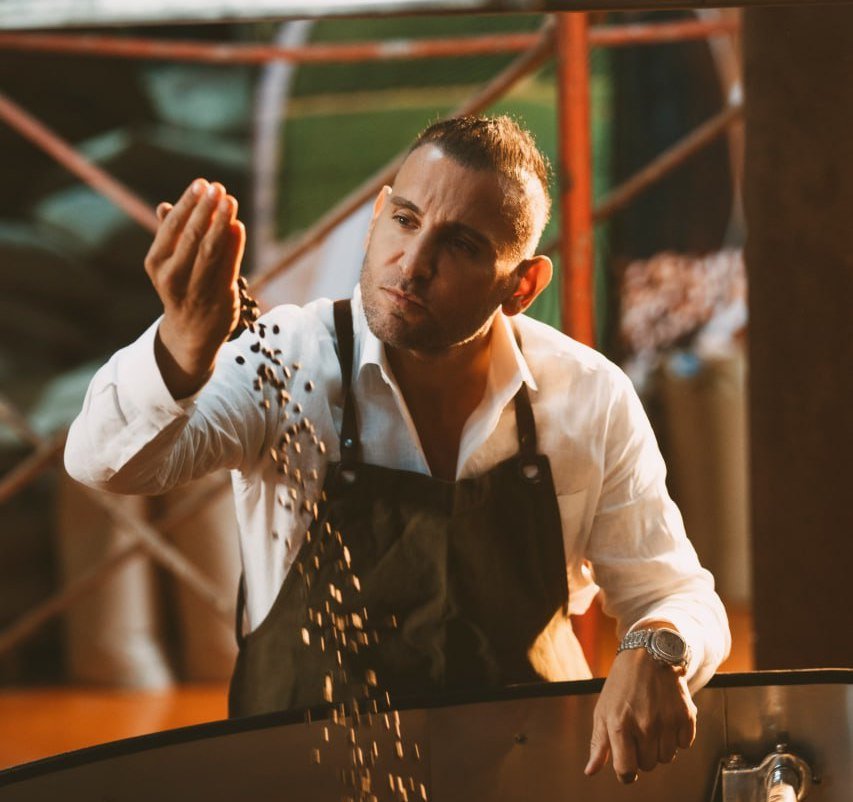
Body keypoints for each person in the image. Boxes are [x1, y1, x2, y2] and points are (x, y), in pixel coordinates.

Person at [64, 115, 730, 785]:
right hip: (312, 779)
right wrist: (182, 346)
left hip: (527, 779)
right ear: (378, 214)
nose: (412, 264)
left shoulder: (585, 395)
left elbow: (672, 592)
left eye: (461, 245)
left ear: (521, 286)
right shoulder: (286, 363)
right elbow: (106, 463)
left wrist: (656, 646)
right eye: (405, 221)